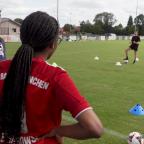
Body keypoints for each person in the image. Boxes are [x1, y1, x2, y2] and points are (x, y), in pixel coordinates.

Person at [0, 11, 103, 144]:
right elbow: (95, 128)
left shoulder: (2, 68)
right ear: (52, 45)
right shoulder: (55, 76)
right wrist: (58, 130)